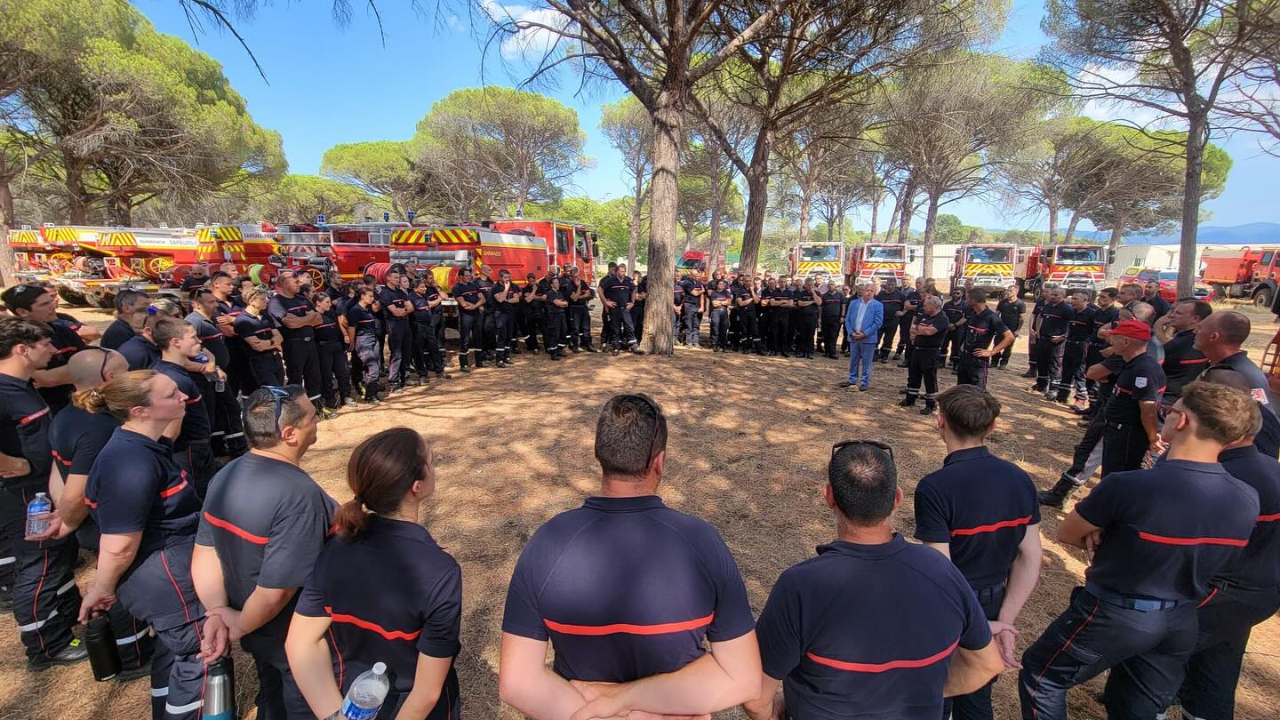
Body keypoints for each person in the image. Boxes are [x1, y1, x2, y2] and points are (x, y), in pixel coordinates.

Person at [500, 394, 760, 719]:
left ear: (599, 455)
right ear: (659, 462)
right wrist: (635, 706)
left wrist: (617, 704)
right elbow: (744, 678)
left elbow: (517, 682)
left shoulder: (547, 543)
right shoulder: (702, 543)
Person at [1018, 381, 1261, 720]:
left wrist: (1106, 535)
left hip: (1116, 612)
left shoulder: (1129, 485)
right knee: (1137, 706)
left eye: (1172, 410)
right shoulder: (1246, 497)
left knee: (1041, 677)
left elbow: (1067, 531)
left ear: (1183, 421)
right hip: (1182, 618)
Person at [743, 440, 1004, 720]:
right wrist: (921, 693)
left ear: (830, 498)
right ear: (898, 499)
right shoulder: (943, 572)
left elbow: (756, 696)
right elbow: (986, 666)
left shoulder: (799, 587)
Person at [285, 428, 459, 720]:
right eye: (431, 460)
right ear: (417, 486)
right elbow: (427, 693)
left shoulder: (335, 548)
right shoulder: (441, 572)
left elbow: (300, 642)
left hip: (354, 698)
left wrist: (335, 714)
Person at [78, 370, 216, 720]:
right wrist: (101, 588)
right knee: (199, 654)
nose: (182, 397)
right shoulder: (129, 464)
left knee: (172, 654)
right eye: (171, 395)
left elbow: (170, 429)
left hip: (168, 569)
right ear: (140, 411)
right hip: (166, 579)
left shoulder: (143, 442)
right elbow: (120, 544)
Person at [193, 385, 332, 720]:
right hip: (293, 640)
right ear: (289, 433)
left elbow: (203, 552)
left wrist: (217, 612)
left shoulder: (224, 476)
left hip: (257, 631)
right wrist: (238, 623)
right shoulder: (298, 496)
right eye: (312, 418)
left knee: (271, 698)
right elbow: (276, 591)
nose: (317, 422)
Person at [914, 386, 1042, 720]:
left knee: (936, 690)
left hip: (950, 605)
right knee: (976, 691)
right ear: (991, 427)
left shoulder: (935, 487)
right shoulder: (1019, 479)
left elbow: (941, 569)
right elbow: (1030, 555)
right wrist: (1002, 621)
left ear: (940, 422)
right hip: (994, 599)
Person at [33, 348, 154, 679]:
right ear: (109, 378)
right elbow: (77, 485)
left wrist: (63, 513)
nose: (132, 371)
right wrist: (67, 521)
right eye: (125, 369)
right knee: (120, 583)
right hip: (107, 523)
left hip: (94, 521)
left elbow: (58, 468)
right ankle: (134, 656)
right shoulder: (99, 427)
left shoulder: (66, 414)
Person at [1175, 392, 1280, 718]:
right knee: (1217, 669)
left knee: (1155, 661)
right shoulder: (1270, 469)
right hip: (1259, 592)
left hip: (1217, 593)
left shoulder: (1222, 479)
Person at [0, 318, 86, 670]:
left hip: (44, 489)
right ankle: (45, 645)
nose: (53, 351)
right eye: (46, 345)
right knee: (38, 563)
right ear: (23, 349)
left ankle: (65, 621)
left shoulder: (21, 385)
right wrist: (12, 464)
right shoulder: (3, 390)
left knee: (57, 557)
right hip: (25, 495)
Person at [152, 318, 220, 497]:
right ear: (176, 342)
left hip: (194, 448)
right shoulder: (176, 380)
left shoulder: (167, 369)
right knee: (199, 493)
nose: (199, 341)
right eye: (193, 337)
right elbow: (170, 432)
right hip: (189, 450)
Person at [1, 284, 85, 414]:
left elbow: (92, 363)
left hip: (75, 406)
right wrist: (82, 369)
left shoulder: (63, 330)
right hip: (42, 410)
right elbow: (46, 379)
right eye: (44, 304)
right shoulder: (13, 340)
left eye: (51, 301)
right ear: (22, 312)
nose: (53, 306)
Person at [1100, 319, 1166, 475]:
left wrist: (1152, 437)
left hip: (1127, 435)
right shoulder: (1131, 363)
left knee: (1119, 474)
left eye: (1115, 337)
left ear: (1126, 341)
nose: (1111, 340)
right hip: (1117, 431)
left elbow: (1148, 409)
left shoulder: (1143, 369)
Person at [188, 288, 248, 456]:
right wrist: (212, 366)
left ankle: (219, 446)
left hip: (218, 375)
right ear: (196, 304)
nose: (215, 305)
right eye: (210, 302)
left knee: (220, 410)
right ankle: (238, 447)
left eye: (215, 301)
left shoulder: (210, 319)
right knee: (231, 407)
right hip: (209, 376)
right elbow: (191, 350)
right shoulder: (194, 322)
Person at [1194, 310, 1279, 414]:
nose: (1194, 332)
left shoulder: (1233, 376)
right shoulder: (1230, 365)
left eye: (1199, 328)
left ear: (1213, 337)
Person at [267, 271, 324, 410]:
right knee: (295, 379)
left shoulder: (302, 299)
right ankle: (297, 410)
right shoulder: (277, 302)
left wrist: (302, 320)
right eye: (295, 282)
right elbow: (290, 324)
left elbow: (319, 319)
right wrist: (309, 318)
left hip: (310, 343)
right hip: (293, 344)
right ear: (285, 283)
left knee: (314, 377)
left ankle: (316, 408)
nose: (299, 284)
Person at [899, 296, 950, 413]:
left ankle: (931, 404)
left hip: (930, 352)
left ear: (934, 306)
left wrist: (920, 329)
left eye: (926, 305)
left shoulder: (942, 318)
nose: (923, 307)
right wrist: (920, 329)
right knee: (913, 375)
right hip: (917, 349)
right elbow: (912, 328)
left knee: (929, 378)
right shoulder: (924, 316)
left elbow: (929, 332)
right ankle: (910, 398)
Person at [956, 289, 1014, 391]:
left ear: (974, 300)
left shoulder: (991, 317)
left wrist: (992, 352)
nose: (965, 301)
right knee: (961, 391)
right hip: (965, 358)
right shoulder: (973, 314)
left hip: (978, 361)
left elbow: (1009, 337)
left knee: (978, 393)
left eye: (967, 298)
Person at [1155, 299, 1210, 405]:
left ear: (1195, 319)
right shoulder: (1201, 339)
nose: (1171, 315)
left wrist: (1158, 327)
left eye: (1178, 313)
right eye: (1172, 311)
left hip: (1168, 397)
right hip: (1185, 394)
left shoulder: (1183, 343)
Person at [235, 287, 285, 390]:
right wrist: (273, 342)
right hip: (260, 362)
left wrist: (268, 343)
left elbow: (279, 337)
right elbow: (258, 346)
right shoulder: (243, 321)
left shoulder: (266, 316)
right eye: (262, 299)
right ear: (251, 301)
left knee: (282, 390)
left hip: (275, 359)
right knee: (273, 392)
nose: (266, 301)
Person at [314, 293, 356, 410]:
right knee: (326, 375)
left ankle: (345, 396)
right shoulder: (314, 316)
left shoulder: (330, 313)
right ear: (318, 303)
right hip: (323, 348)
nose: (329, 304)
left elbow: (338, 329)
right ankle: (329, 399)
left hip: (337, 347)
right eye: (326, 302)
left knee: (344, 372)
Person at [1055, 291, 1097, 407]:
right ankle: (1062, 395)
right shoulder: (1072, 312)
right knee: (1066, 370)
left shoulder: (1091, 314)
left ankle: (1080, 399)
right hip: (1069, 343)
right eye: (1072, 298)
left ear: (1085, 300)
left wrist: (1087, 343)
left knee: (1080, 372)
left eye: (1076, 299)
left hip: (1082, 345)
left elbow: (1094, 332)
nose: (1073, 301)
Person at [840, 284, 883, 392]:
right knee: (853, 360)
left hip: (868, 338)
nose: (869, 292)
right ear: (862, 291)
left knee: (866, 361)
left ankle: (864, 382)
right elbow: (848, 318)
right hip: (854, 337)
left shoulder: (878, 305)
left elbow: (878, 323)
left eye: (872, 291)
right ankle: (852, 380)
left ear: (874, 293)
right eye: (867, 290)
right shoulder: (854, 303)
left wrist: (865, 333)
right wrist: (851, 332)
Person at [378, 267, 415, 392]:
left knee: (406, 352)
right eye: (395, 277)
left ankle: (405, 377)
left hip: (405, 324)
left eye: (398, 278)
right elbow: (395, 312)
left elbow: (411, 307)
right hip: (394, 325)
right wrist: (404, 311)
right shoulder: (385, 293)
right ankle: (393, 381)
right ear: (388, 278)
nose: (397, 280)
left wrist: (403, 311)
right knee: (396, 353)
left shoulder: (400, 292)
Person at [1031, 286, 1072, 399]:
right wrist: (1038, 331)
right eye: (1052, 294)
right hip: (1043, 339)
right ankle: (1041, 385)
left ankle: (1054, 389)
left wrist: (1063, 336)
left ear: (1063, 296)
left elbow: (1072, 324)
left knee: (1054, 365)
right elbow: (1039, 316)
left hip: (1056, 342)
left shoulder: (1067, 309)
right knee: (1041, 362)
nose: (1052, 296)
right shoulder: (1047, 306)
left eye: (1056, 295)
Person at [345, 287, 382, 404]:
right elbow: (352, 328)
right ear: (362, 296)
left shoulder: (369, 308)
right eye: (370, 296)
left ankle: (372, 391)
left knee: (373, 367)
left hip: (373, 338)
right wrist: (351, 343)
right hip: (363, 340)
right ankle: (370, 395)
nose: (372, 298)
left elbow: (377, 307)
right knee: (373, 368)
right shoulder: (355, 310)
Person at [599, 264, 640, 356]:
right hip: (615, 309)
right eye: (621, 271)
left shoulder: (627, 280)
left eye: (624, 271)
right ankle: (616, 347)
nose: (623, 273)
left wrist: (632, 302)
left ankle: (634, 345)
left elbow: (634, 289)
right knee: (615, 328)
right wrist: (606, 302)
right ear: (617, 272)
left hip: (625, 309)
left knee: (630, 327)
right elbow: (600, 290)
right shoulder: (610, 281)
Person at [452, 268, 486, 372]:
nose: (469, 277)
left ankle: (479, 361)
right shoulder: (457, 288)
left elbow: (483, 299)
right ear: (460, 276)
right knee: (465, 339)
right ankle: (464, 364)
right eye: (466, 276)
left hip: (476, 316)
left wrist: (475, 306)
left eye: (469, 275)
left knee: (478, 337)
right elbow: (463, 304)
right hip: (465, 317)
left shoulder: (474, 286)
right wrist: (478, 305)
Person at [874, 278, 906, 363]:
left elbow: (907, 304)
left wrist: (903, 312)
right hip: (881, 320)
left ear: (895, 285)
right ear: (886, 284)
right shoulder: (881, 295)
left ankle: (885, 355)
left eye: (892, 285)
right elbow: (875, 305)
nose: (890, 286)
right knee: (877, 338)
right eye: (889, 284)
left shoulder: (900, 295)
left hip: (893, 321)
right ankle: (875, 354)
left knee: (889, 339)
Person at [491, 269, 520, 364]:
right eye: (505, 277)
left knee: (509, 336)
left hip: (510, 313)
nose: (508, 279)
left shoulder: (512, 286)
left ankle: (506, 356)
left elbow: (516, 299)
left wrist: (507, 300)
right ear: (500, 278)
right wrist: (506, 289)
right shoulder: (496, 287)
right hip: (500, 314)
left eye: (509, 277)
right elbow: (500, 299)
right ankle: (499, 359)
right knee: (502, 336)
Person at [566, 267, 596, 353]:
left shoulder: (582, 282)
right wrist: (579, 287)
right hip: (574, 308)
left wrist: (579, 296)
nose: (577, 278)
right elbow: (574, 299)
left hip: (583, 307)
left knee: (586, 327)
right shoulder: (569, 285)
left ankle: (588, 344)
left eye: (578, 275)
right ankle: (574, 345)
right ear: (571, 276)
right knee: (575, 328)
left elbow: (589, 293)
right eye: (575, 276)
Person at [994, 286, 1024, 370]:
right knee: (996, 343)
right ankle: (994, 361)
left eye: (1011, 291)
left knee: (1008, 346)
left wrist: (1018, 330)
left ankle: (1003, 362)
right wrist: (995, 325)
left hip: (1012, 328)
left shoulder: (1020, 304)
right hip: (1001, 327)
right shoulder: (1003, 302)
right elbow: (996, 314)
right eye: (1008, 290)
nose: (1008, 292)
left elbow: (1021, 318)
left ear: (1016, 292)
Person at [895, 277, 922, 364]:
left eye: (920, 283)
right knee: (907, 339)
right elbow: (906, 306)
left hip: (921, 321)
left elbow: (924, 307)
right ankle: (907, 359)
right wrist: (917, 307)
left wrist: (913, 307)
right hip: (908, 319)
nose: (918, 284)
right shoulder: (911, 294)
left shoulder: (926, 295)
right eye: (917, 282)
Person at [940, 287, 968, 370]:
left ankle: (956, 364)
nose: (955, 295)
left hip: (958, 329)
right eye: (954, 293)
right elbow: (943, 315)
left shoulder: (965, 306)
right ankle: (941, 362)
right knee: (943, 345)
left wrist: (955, 325)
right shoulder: (947, 304)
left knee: (957, 346)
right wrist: (947, 325)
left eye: (957, 293)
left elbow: (965, 318)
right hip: (947, 328)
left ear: (962, 294)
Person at [679, 271, 705, 347]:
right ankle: (688, 342)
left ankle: (696, 342)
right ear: (691, 275)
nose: (697, 277)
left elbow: (701, 296)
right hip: (689, 305)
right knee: (689, 324)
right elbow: (695, 293)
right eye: (695, 275)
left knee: (696, 324)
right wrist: (702, 290)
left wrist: (702, 306)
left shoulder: (699, 283)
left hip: (697, 305)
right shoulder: (687, 283)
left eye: (697, 275)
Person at [708, 279, 734, 352]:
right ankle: (715, 345)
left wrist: (719, 302)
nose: (721, 285)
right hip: (715, 312)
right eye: (720, 284)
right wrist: (723, 302)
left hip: (724, 313)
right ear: (717, 285)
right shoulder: (714, 293)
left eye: (723, 284)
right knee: (715, 329)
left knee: (724, 329)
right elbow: (714, 304)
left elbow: (729, 302)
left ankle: (723, 346)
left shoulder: (726, 292)